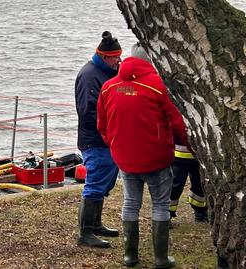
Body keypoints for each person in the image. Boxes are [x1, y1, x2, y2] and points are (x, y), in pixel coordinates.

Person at [97, 43, 190, 268]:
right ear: (151, 61)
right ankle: (160, 258)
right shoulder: (158, 86)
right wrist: (188, 145)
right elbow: (177, 122)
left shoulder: (109, 87)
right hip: (157, 157)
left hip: (125, 159)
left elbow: (102, 124)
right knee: (160, 204)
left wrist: (115, 146)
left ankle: (130, 256)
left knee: (130, 203)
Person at [74, 31, 122, 248]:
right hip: (95, 139)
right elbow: (87, 111)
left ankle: (95, 224)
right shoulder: (89, 76)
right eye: (115, 58)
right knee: (94, 183)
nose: (119, 61)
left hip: (105, 138)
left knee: (104, 181)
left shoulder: (104, 72)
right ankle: (85, 232)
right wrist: (109, 127)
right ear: (104, 57)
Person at [169, 136, 208, 223]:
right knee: (175, 186)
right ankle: (166, 215)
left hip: (200, 156)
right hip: (178, 156)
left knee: (200, 186)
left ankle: (201, 213)